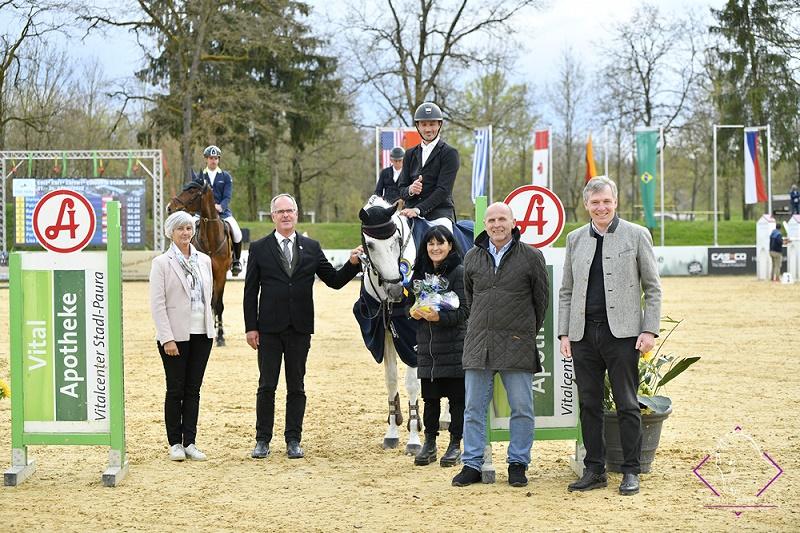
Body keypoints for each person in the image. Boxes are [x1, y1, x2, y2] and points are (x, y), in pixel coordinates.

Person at [559, 176, 662, 496]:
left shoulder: (637, 234)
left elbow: (653, 288)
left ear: (615, 202)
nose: (601, 207)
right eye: (595, 203)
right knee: (589, 404)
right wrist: (564, 333)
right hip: (583, 335)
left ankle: (631, 470)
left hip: (624, 335)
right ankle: (594, 469)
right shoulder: (575, 239)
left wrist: (649, 329)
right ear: (586, 206)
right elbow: (566, 291)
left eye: (606, 201)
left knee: (627, 403)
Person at [244, 193, 362, 460]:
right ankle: (262, 439)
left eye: (290, 211)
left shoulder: (311, 246)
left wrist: (353, 264)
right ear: (272, 216)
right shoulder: (260, 248)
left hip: (299, 328)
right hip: (269, 329)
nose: (286, 215)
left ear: (297, 214)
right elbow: (250, 291)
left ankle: (293, 439)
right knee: (267, 386)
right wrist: (251, 327)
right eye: (281, 211)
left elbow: (333, 279)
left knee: (296, 386)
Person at [451, 202, 549, 488]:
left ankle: (518, 464)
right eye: (491, 220)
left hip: (517, 343)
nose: (497, 225)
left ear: (513, 221)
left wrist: (523, 332)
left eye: (502, 219)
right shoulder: (471, 256)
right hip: (479, 342)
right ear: (485, 223)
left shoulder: (531, 257)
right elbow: (471, 299)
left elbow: (540, 302)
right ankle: (472, 464)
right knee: (473, 408)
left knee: (521, 407)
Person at [149, 211, 215, 462]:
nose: (186, 233)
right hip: (175, 335)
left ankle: (190, 441)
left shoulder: (204, 261)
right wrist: (167, 337)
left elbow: (208, 297)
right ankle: (174, 442)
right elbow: (158, 304)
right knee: (175, 389)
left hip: (202, 333)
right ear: (171, 233)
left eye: (189, 228)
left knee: (193, 390)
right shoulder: (162, 263)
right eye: (180, 229)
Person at [409, 226, 468, 468]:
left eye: (440, 243)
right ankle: (429, 442)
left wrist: (439, 318)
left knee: (457, 400)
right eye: (431, 244)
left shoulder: (459, 272)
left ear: (450, 245)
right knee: (430, 400)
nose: (435, 248)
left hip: (454, 348)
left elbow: (465, 311)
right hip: (428, 349)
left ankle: (455, 444)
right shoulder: (419, 274)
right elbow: (408, 304)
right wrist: (413, 311)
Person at [397, 102, 460, 231]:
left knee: (445, 235)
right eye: (424, 124)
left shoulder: (449, 153)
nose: (428, 129)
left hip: (439, 214)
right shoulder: (409, 154)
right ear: (418, 126)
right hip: (409, 212)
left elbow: (443, 190)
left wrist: (419, 210)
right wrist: (411, 189)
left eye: (432, 124)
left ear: (439, 125)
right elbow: (401, 189)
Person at [193, 145, 244, 276]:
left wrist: (221, 206)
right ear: (206, 159)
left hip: (222, 212)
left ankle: (236, 261)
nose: (213, 161)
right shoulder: (200, 176)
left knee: (237, 233)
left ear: (219, 159)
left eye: (216, 158)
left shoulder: (226, 176)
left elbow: (227, 196)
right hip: (202, 213)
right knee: (187, 228)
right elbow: (196, 195)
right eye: (211, 158)